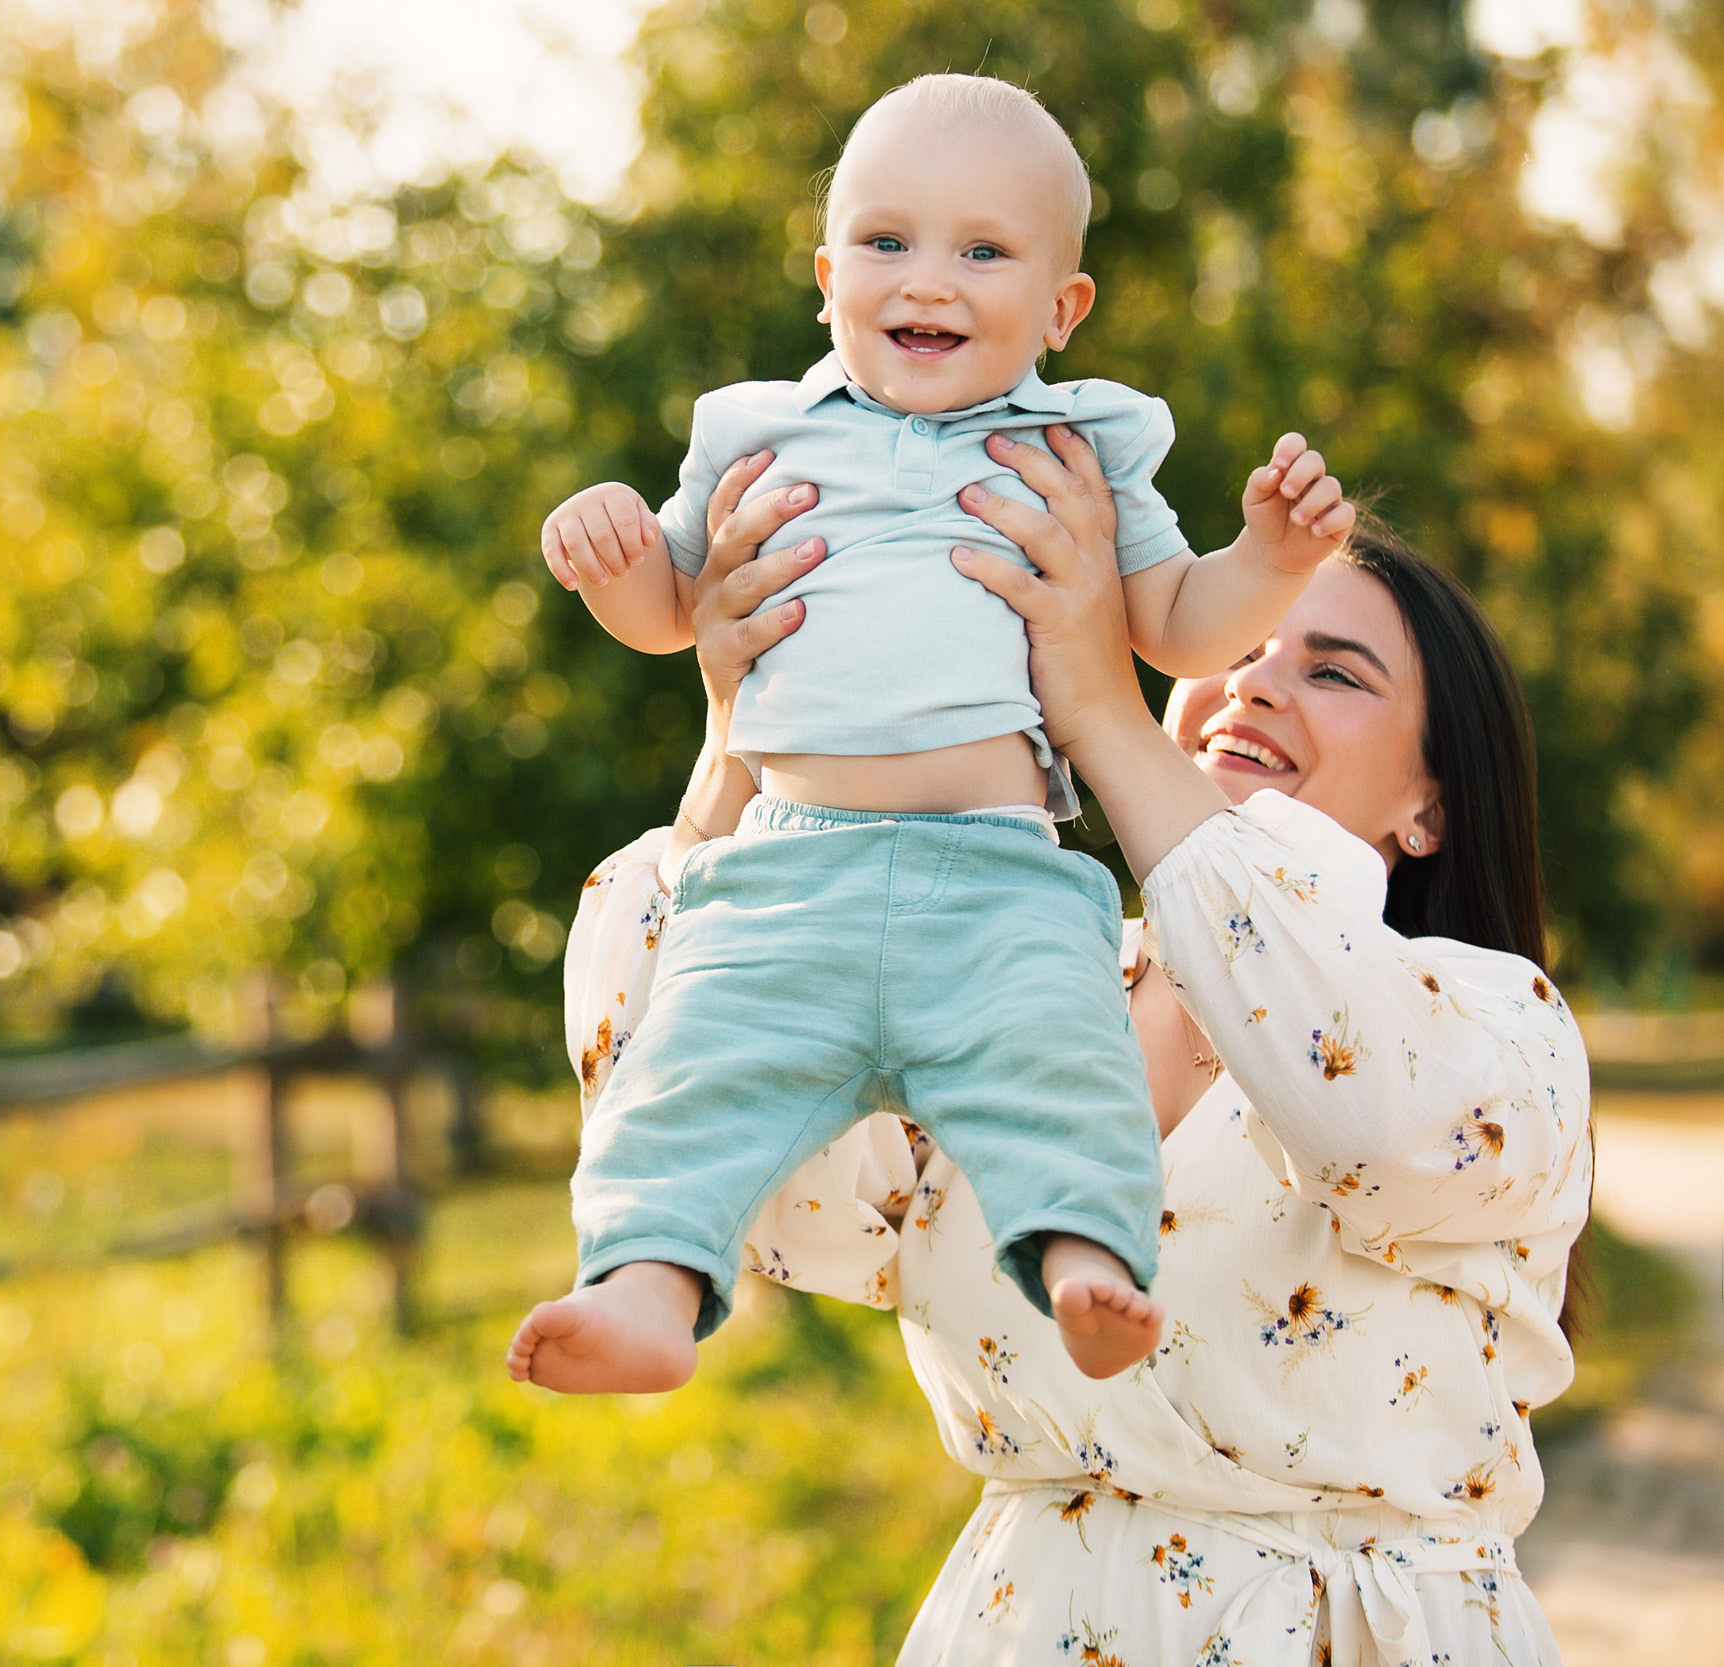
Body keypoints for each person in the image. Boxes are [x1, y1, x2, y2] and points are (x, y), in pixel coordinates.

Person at [558, 428, 1586, 1664]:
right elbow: (775, 1199)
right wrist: (740, 730)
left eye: (1334, 672)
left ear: (1430, 803)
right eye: (1239, 646)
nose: (1254, 683)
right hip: (1023, 1623)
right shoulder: (1023, 986)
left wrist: (1097, 705)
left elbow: (1354, 1107)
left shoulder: (1490, 1019)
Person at [509, 71, 1355, 1389]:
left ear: (1063, 306)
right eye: (887, 241)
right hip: (784, 865)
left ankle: (1083, 1261)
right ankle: (644, 1289)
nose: (929, 281)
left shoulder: (1085, 444)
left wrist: (1271, 560)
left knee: (1062, 1069)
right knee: (687, 1078)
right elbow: (677, 612)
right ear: (825, 271)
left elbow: (1178, 624)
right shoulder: (757, 427)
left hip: (1001, 873)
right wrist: (612, 547)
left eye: (983, 249)